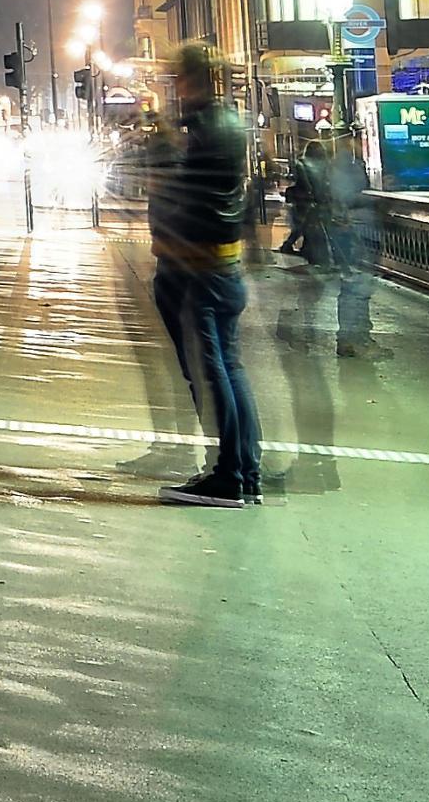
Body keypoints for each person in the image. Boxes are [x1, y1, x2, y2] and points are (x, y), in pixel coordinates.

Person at [146, 42, 262, 505]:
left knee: (210, 373)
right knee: (229, 370)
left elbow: (181, 196)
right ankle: (244, 473)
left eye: (176, 77)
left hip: (195, 268)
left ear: (190, 79)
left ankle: (229, 477)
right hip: (221, 265)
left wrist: (160, 151)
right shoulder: (231, 123)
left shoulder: (198, 130)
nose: (172, 86)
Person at [282, 123, 376, 356]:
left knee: (351, 280)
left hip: (335, 223)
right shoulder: (346, 166)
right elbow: (346, 198)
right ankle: (353, 338)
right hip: (350, 229)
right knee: (355, 282)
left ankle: (353, 337)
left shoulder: (334, 166)